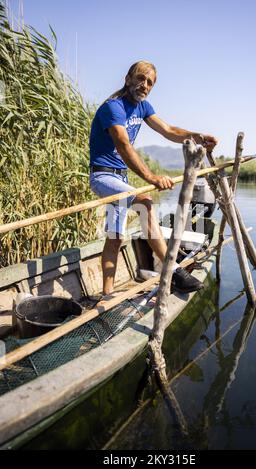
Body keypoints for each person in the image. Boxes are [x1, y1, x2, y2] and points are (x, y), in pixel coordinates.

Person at [89, 61, 218, 296]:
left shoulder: (143, 107)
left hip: (121, 178)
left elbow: (169, 131)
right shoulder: (113, 107)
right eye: (140, 78)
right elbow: (123, 144)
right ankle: (175, 272)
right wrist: (151, 177)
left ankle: (106, 295)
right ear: (128, 79)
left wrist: (197, 136)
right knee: (145, 203)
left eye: (150, 82)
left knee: (115, 237)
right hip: (103, 176)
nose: (144, 85)